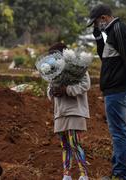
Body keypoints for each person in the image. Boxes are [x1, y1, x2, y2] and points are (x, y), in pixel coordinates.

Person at [87, 4, 126, 180]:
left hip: (117, 91)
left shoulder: (118, 29)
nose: (96, 26)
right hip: (112, 91)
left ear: (103, 18)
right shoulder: (110, 33)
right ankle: (117, 173)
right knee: (117, 132)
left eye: (96, 23)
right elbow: (107, 58)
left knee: (118, 133)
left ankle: (120, 175)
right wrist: (98, 39)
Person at [47, 43, 91, 180]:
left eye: (55, 56)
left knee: (75, 144)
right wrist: (53, 91)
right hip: (60, 113)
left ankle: (84, 175)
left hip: (74, 111)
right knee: (65, 145)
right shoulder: (53, 70)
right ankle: (66, 175)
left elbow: (86, 84)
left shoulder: (77, 67)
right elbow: (49, 90)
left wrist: (66, 90)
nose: (53, 59)